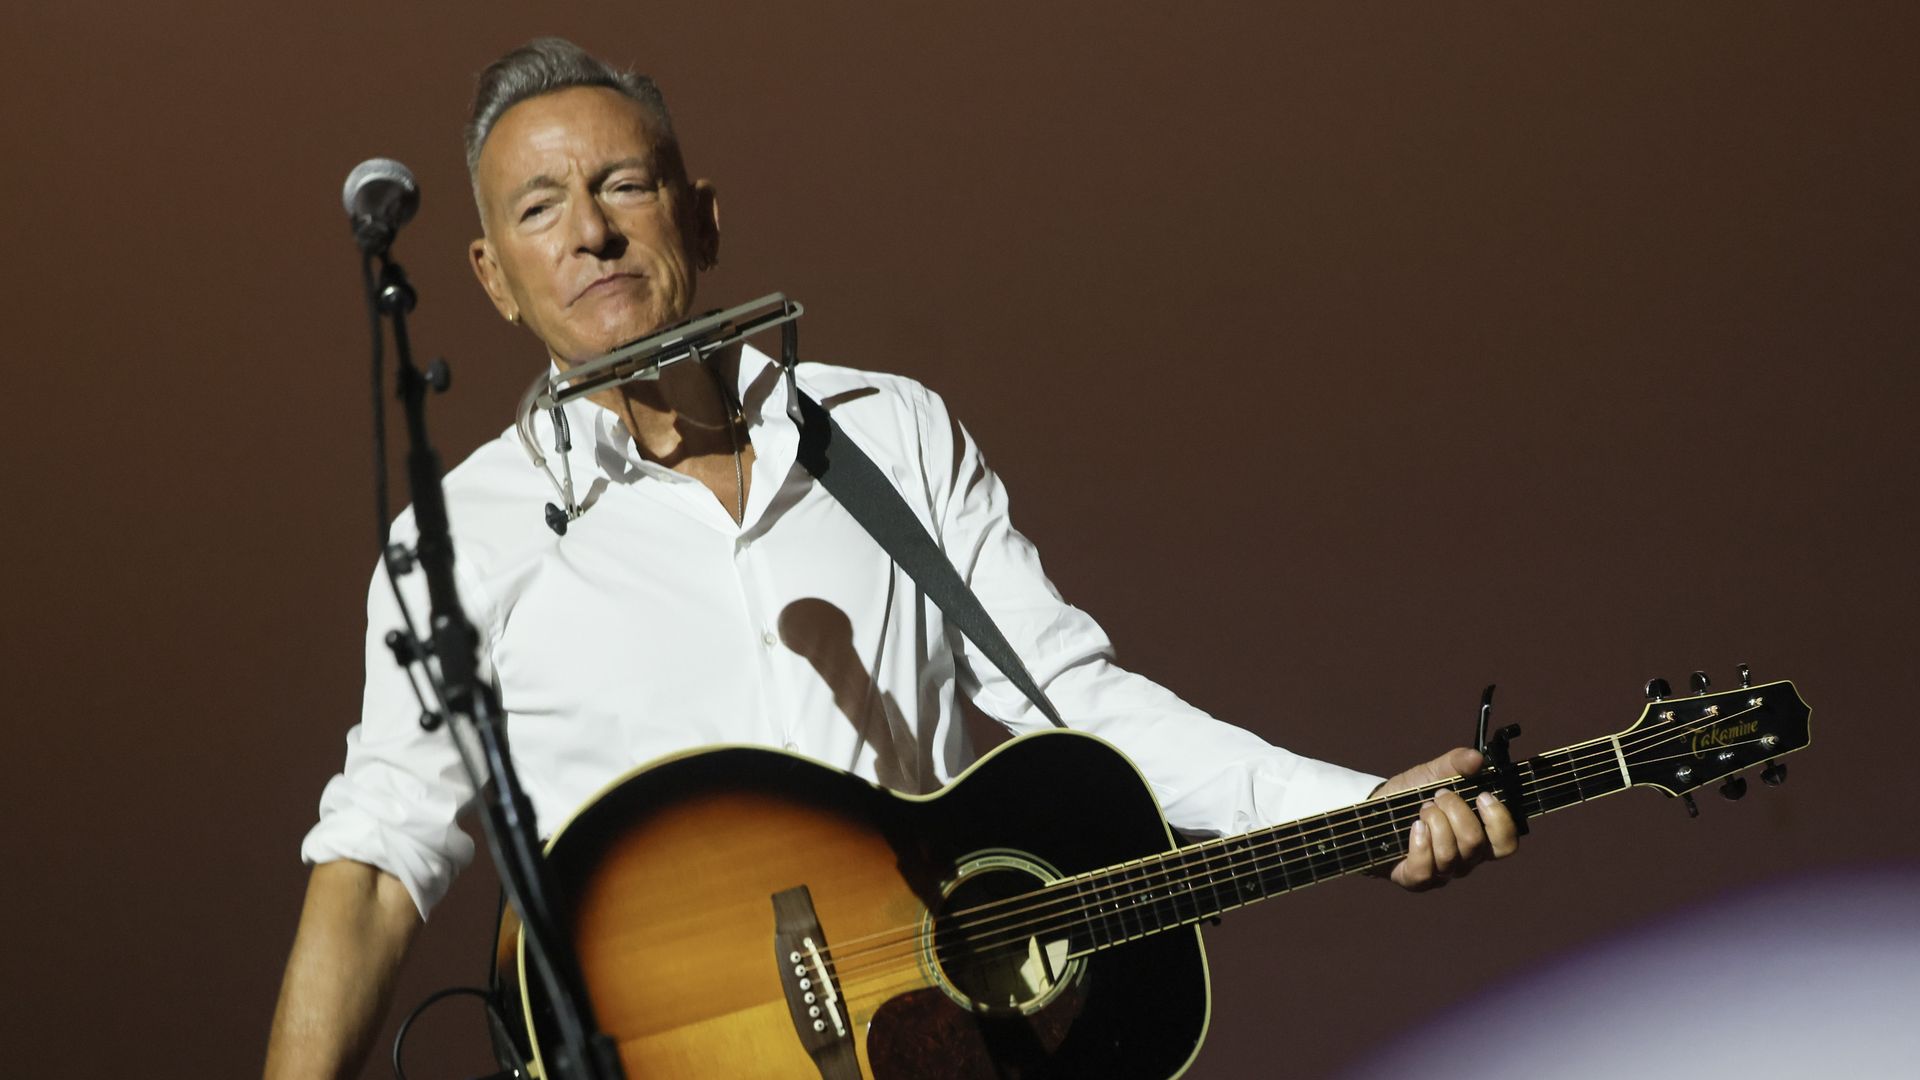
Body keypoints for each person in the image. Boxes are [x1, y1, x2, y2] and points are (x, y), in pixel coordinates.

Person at [263, 37, 1517, 1079]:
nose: (589, 233)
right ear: (492, 277)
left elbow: (1069, 698)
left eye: (625, 187)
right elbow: (375, 869)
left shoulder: (887, 432)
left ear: (699, 213)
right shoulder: (464, 532)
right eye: (541, 209)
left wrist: (1350, 810)